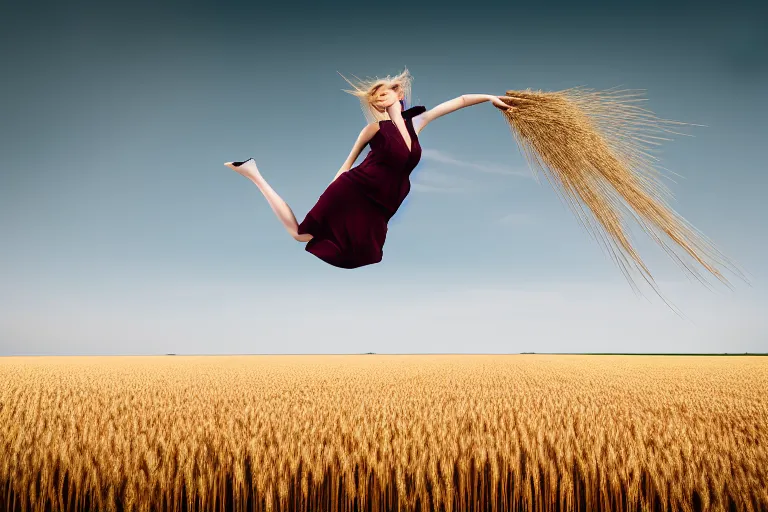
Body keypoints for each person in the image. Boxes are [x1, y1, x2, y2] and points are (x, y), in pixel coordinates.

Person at [225, 68, 514, 268]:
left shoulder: (417, 123)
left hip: (384, 200)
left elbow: (460, 101)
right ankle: (254, 174)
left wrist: (489, 98)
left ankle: (253, 174)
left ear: (397, 92)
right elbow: (347, 164)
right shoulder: (373, 129)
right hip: (354, 189)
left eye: (382, 92)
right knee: (302, 234)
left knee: (363, 250)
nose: (378, 98)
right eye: (374, 98)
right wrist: (329, 195)